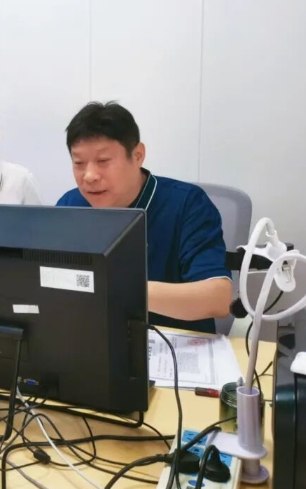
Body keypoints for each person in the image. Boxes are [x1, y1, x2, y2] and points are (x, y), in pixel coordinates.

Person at [56, 101, 232, 333]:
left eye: (103, 161)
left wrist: (112, 287)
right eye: (79, 163)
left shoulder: (187, 204)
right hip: (92, 338)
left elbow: (218, 299)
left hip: (174, 344)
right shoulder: (70, 206)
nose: (89, 176)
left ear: (138, 155)